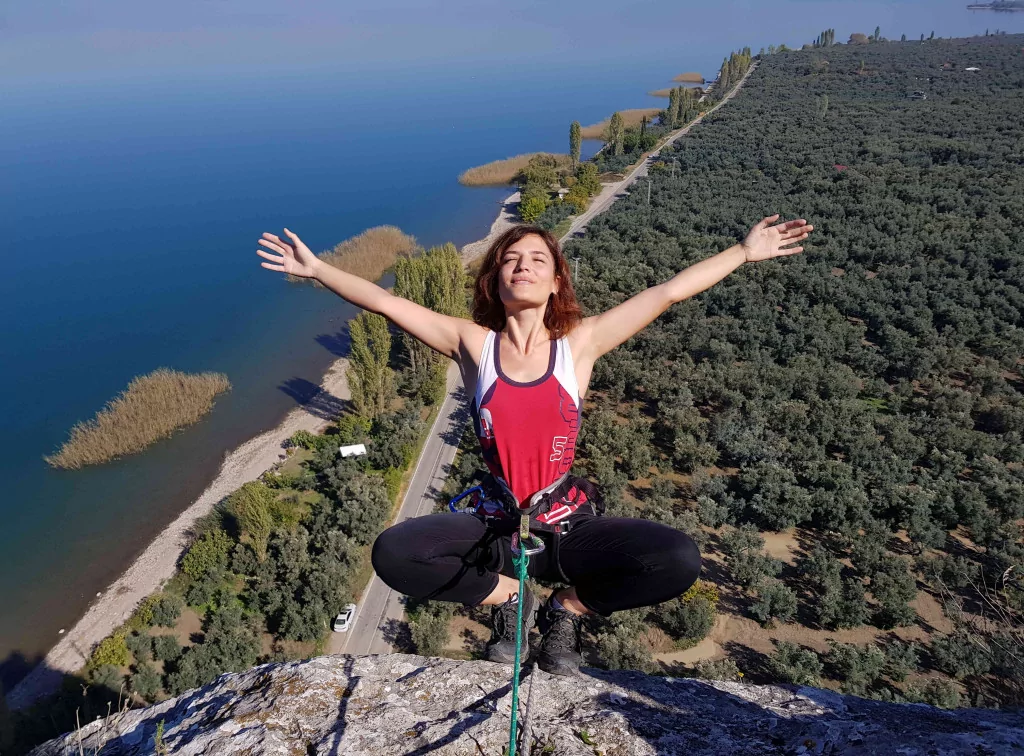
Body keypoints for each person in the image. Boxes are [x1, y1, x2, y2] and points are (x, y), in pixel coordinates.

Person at [257, 215, 812, 675]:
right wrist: (317, 270)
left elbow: (665, 293)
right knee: (394, 554)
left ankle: (565, 612)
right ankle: (509, 600)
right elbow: (385, 304)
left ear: (555, 284)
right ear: (495, 282)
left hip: (565, 523)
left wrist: (743, 252)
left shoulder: (580, 344)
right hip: (497, 525)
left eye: (537, 260)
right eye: (510, 259)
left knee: (678, 560)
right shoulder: (473, 345)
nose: (522, 266)